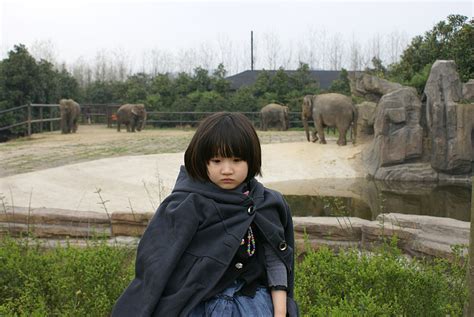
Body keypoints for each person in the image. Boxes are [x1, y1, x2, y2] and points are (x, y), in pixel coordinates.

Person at [112, 112, 298, 317]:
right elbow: (157, 265)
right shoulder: (185, 205)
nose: (227, 170)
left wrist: (280, 313)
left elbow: (276, 262)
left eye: (237, 160)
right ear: (203, 161)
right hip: (197, 305)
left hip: (253, 306)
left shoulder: (266, 204)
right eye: (217, 160)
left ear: (251, 160)